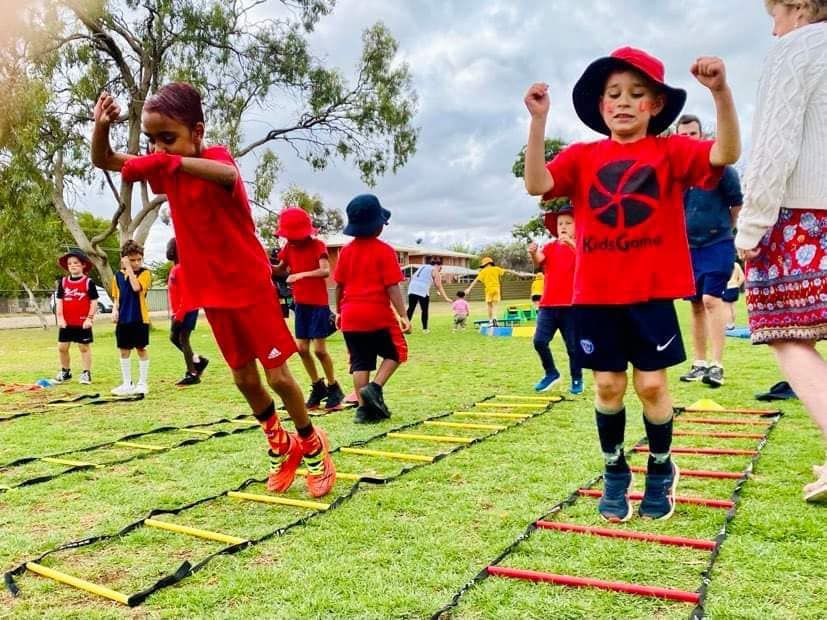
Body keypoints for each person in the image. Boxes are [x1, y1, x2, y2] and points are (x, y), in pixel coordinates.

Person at [523, 46, 740, 521]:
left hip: (650, 294)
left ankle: (661, 468)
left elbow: (725, 153)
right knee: (606, 386)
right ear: (600, 106)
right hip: (594, 295)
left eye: (636, 94)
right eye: (613, 94)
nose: (623, 102)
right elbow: (537, 184)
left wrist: (721, 93)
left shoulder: (670, 151)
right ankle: (615, 469)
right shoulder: (582, 156)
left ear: (655, 104)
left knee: (651, 386)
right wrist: (539, 121)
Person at [91, 83, 335, 497]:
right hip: (213, 292)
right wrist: (101, 128)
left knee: (278, 376)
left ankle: (312, 444)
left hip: (251, 285)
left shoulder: (214, 159)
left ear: (198, 132)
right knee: (243, 377)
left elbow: (228, 175)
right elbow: (106, 159)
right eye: (152, 140)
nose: (158, 148)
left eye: (168, 138)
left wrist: (169, 162)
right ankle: (280, 444)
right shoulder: (166, 163)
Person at [734, 0, 827, 503]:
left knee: (786, 334)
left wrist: (749, 231)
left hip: (801, 216)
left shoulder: (797, 47)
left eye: (773, 15)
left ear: (796, 6)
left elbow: (774, 148)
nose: (772, 30)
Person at [676, 114, 744, 388]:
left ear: (701, 136)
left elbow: (736, 206)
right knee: (695, 305)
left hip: (718, 244)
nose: (688, 139)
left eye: (693, 134)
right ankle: (699, 363)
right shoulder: (676, 174)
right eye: (683, 135)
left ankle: (717, 365)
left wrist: (725, 231)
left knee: (711, 300)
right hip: (687, 249)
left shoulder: (722, 169)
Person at [334, 194, 411, 424]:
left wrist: (338, 311)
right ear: (378, 225)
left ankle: (364, 410)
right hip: (376, 313)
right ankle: (375, 388)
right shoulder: (384, 251)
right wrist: (403, 315)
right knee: (396, 353)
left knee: (360, 362)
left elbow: (339, 286)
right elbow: (392, 287)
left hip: (350, 315)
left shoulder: (345, 252)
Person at [273, 207, 345, 411]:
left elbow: (325, 270)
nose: (290, 238)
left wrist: (301, 275)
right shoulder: (288, 247)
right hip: (301, 305)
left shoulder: (318, 245)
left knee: (320, 350)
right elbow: (280, 269)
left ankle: (334, 388)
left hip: (318, 305)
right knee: (302, 349)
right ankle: (317, 386)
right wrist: (261, 264)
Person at [528, 205, 583, 395]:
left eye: (568, 223)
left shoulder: (582, 246)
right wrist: (533, 252)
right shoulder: (550, 246)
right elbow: (539, 261)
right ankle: (551, 372)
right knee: (539, 341)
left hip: (572, 306)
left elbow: (586, 261)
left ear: (578, 226)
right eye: (560, 224)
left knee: (573, 348)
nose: (564, 227)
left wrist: (571, 244)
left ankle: (577, 378)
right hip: (548, 304)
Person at [111, 240, 152, 395]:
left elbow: (136, 288)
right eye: (132, 260)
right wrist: (115, 310)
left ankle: (142, 383)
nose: (136, 263)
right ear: (124, 258)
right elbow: (117, 297)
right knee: (124, 350)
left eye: (138, 260)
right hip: (124, 320)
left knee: (141, 348)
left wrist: (129, 268)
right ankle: (127, 383)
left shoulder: (145, 273)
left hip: (139, 318)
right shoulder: (117, 276)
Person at [166, 237, 208, 386]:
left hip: (186, 310)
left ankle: (192, 373)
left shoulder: (182, 268)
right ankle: (198, 361)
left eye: (171, 247)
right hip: (179, 311)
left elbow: (186, 295)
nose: (168, 250)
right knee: (174, 338)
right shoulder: (175, 268)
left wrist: (179, 316)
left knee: (183, 339)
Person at [54, 249, 98, 385]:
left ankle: (86, 373)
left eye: (76, 263)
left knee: (83, 347)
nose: (72, 265)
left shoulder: (88, 282)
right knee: (62, 347)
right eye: (70, 263)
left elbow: (94, 301)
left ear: (83, 265)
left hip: (82, 322)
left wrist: (89, 318)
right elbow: (60, 300)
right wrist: (60, 318)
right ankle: (65, 372)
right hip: (67, 322)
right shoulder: (63, 282)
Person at [464, 258, 518, 325]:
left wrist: (469, 288)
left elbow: (475, 280)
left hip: (488, 290)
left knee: (489, 306)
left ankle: (490, 321)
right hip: (496, 289)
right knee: (495, 305)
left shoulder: (483, 272)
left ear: (486, 264)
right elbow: (506, 271)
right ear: (490, 263)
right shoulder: (496, 269)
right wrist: (516, 273)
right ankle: (494, 318)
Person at [406, 259, 450, 333]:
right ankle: (425, 329)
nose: (440, 270)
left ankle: (405, 326)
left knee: (411, 308)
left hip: (412, 288)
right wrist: (446, 297)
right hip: (422, 289)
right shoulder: (435, 270)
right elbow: (439, 285)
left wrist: (437, 290)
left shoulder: (423, 266)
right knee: (424, 310)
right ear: (437, 265)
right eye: (440, 268)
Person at [722, 261, 745, 330]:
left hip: (727, 288)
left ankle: (729, 325)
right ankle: (732, 323)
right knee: (733, 306)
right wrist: (737, 286)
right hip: (735, 288)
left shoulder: (724, 264)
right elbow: (743, 277)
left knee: (726, 307)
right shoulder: (736, 264)